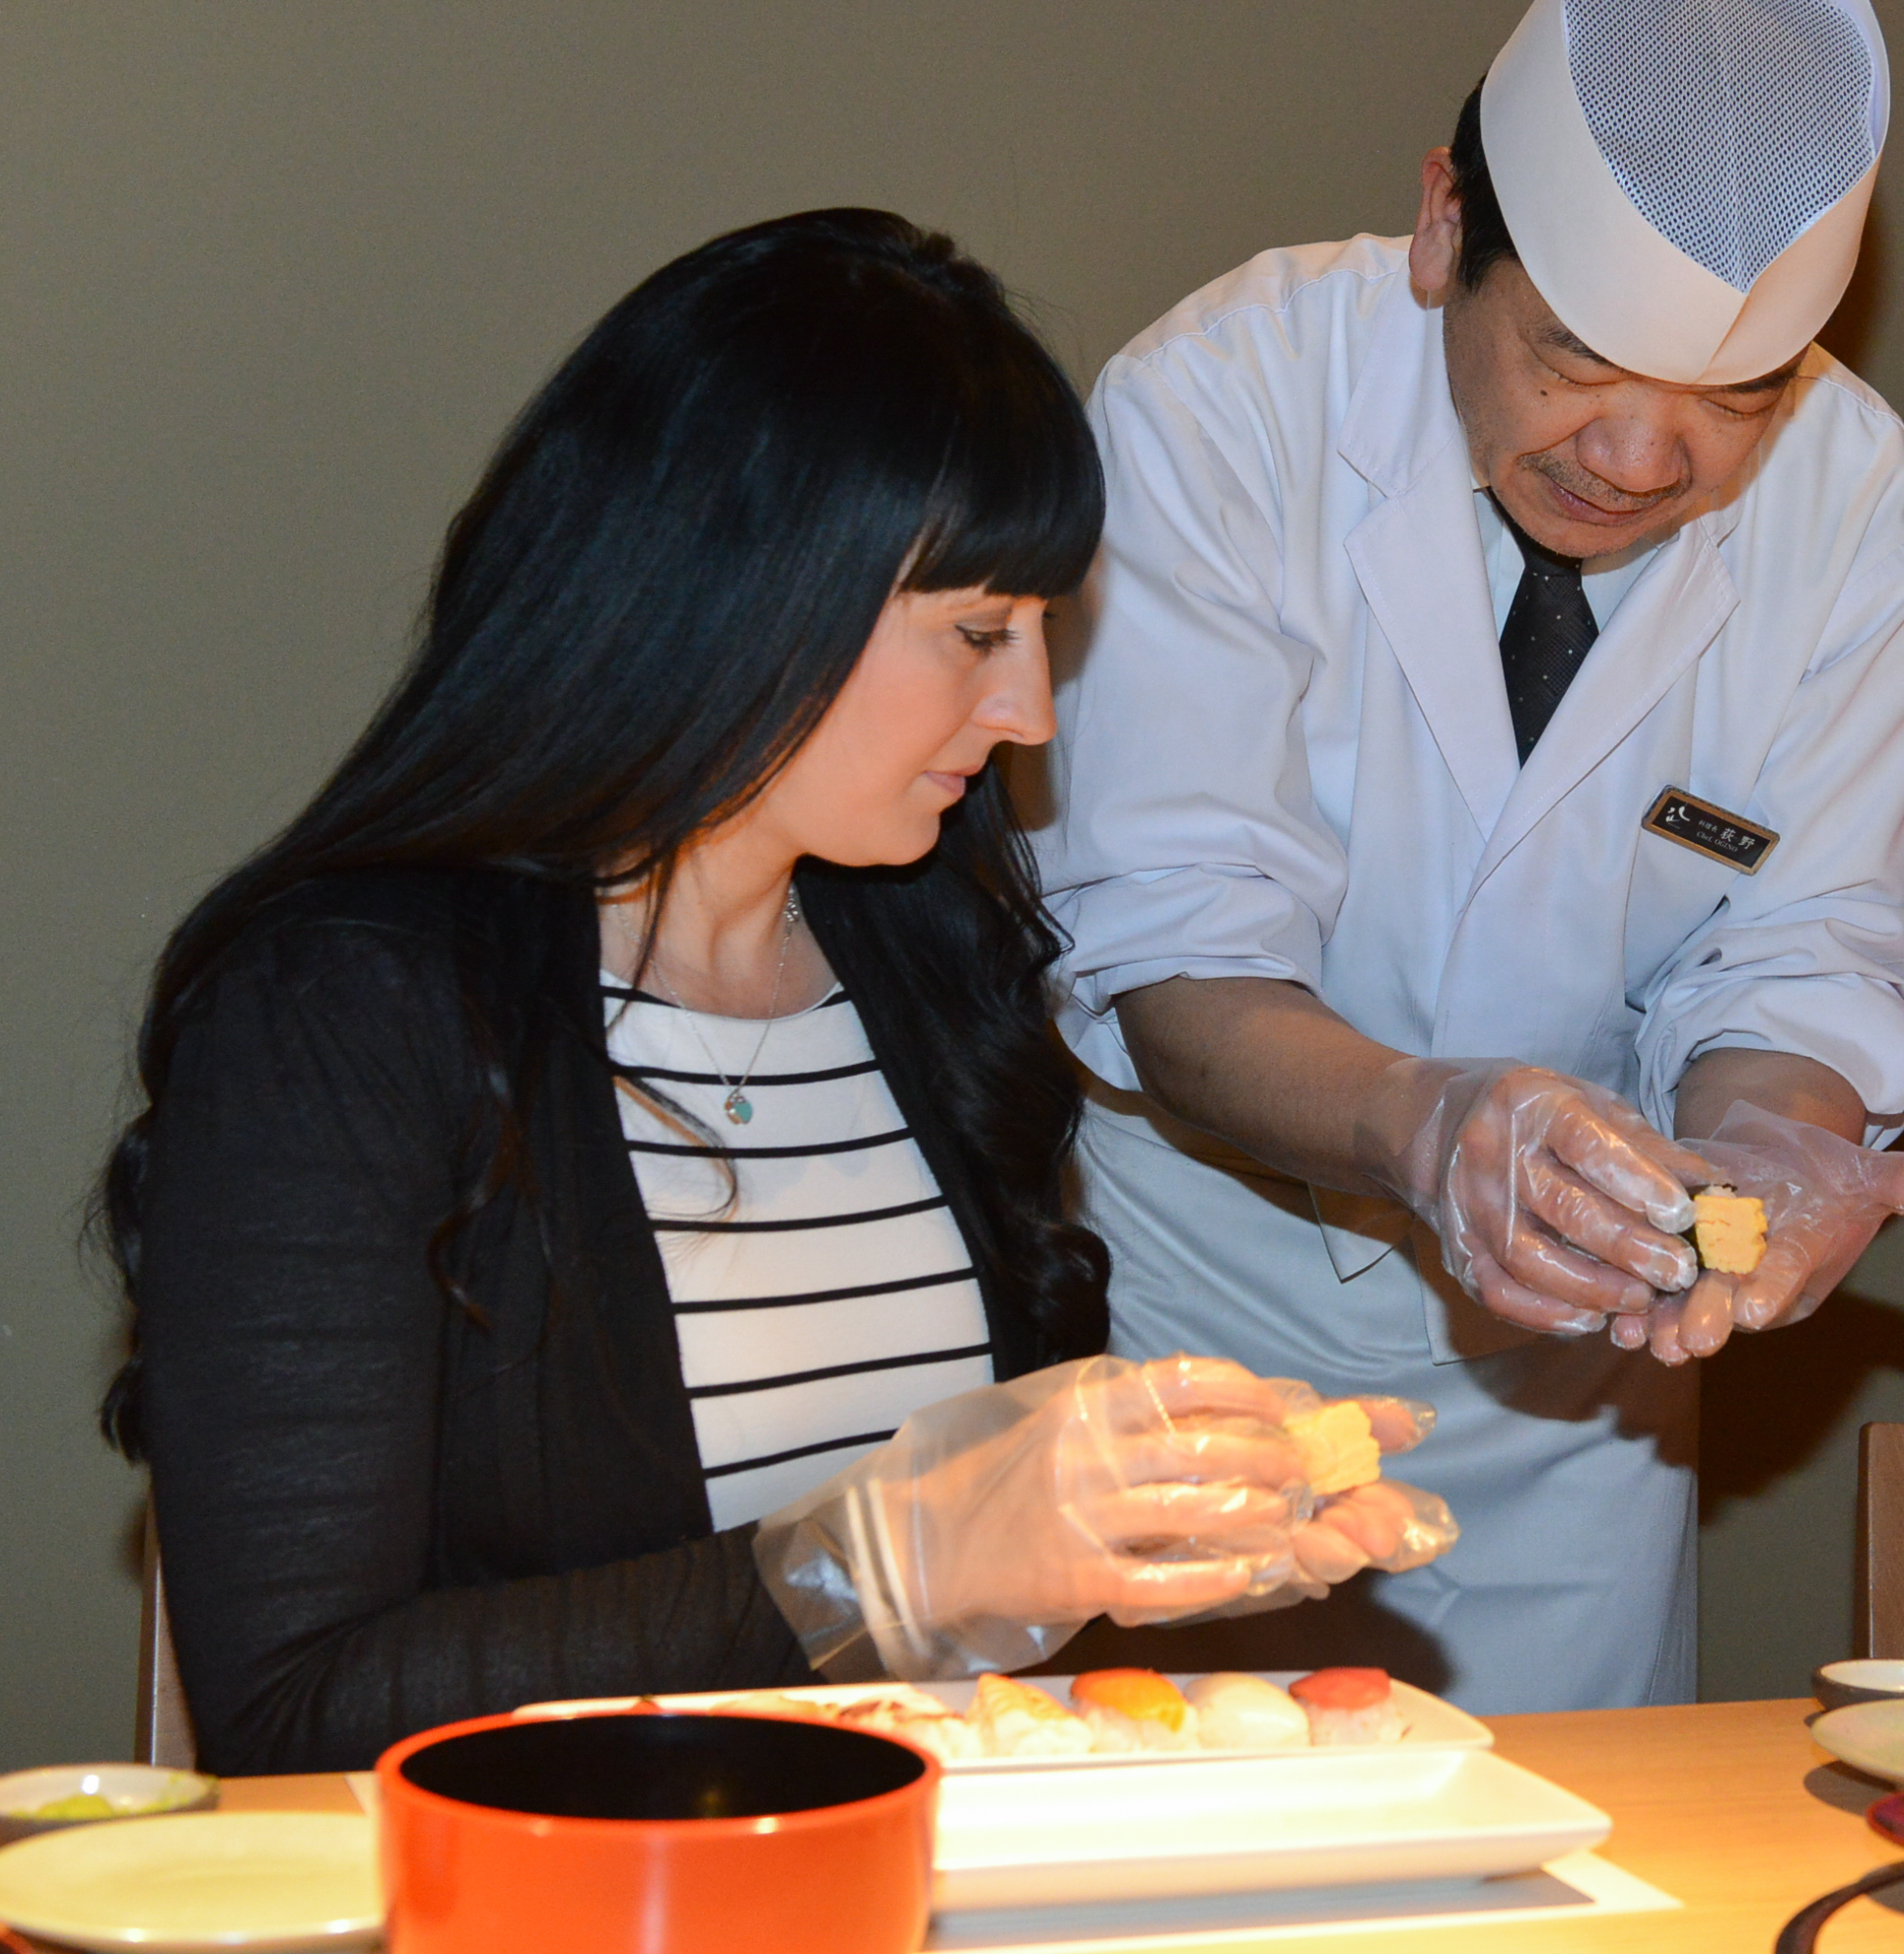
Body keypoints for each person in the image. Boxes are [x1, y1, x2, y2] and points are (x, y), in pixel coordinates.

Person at [98, 211, 1446, 1774]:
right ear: (749, 589)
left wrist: (1124, 1530)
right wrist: (858, 1563)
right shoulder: (346, 1012)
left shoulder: (924, 965)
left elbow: (933, 1630)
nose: (1024, 712)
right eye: (977, 633)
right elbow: (293, 1711)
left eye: (1041, 637)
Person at [1034, 0, 1904, 1710]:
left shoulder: (1864, 513)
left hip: (1585, 1394)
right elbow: (1173, 960)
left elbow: (1810, 947)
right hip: (1192, 1322)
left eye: (1741, 395)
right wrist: (1429, 1124)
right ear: (1438, 223)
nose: (1641, 458)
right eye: (1572, 358)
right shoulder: (1223, 408)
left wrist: (1774, 1146)